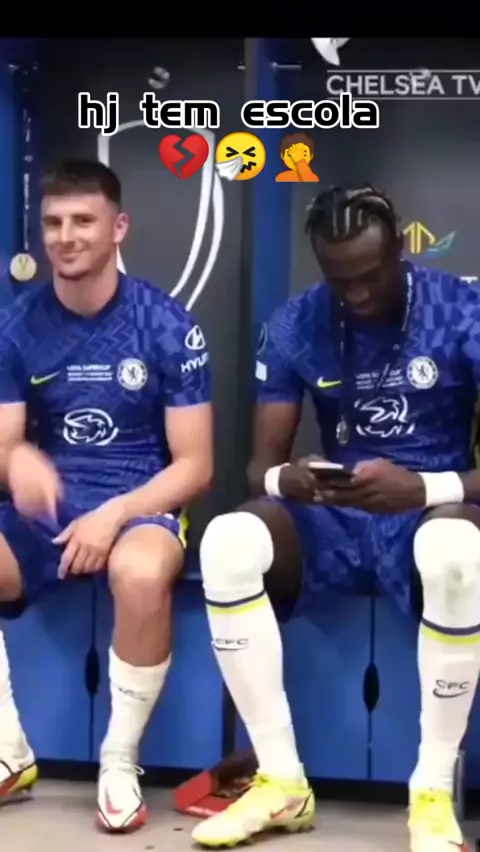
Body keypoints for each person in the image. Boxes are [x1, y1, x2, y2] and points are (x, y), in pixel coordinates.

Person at [193, 184, 480, 852]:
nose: (356, 294)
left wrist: (422, 488)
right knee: (228, 539)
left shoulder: (462, 310)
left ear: (400, 245)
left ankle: (432, 791)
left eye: (370, 275)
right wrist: (290, 479)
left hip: (431, 508)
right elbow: (258, 469)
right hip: (339, 517)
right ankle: (281, 782)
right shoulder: (297, 322)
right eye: (338, 279)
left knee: (454, 551)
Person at [0, 160, 213, 832]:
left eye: (83, 221)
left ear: (118, 227)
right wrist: (18, 460)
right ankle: (8, 751)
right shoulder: (16, 326)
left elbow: (196, 466)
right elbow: (5, 445)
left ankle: (119, 763)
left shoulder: (167, 324)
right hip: (51, 509)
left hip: (140, 503)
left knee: (141, 572)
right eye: (53, 223)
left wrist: (114, 513)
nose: (65, 237)